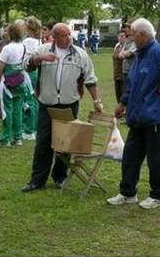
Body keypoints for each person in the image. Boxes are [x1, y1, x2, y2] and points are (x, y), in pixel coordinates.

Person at [107, 18, 160, 209]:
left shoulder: (159, 52)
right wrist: (122, 103)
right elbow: (132, 84)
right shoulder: (139, 55)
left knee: (156, 158)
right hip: (137, 116)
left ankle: (158, 196)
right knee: (130, 156)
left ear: (142, 35)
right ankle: (128, 193)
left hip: (155, 116)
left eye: (132, 34)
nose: (130, 38)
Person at [21, 23, 103, 192]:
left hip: (69, 104)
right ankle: (37, 180)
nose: (68, 38)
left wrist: (97, 100)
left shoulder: (80, 54)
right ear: (55, 37)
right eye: (64, 35)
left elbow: (90, 79)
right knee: (43, 142)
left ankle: (60, 176)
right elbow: (26, 65)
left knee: (65, 142)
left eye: (69, 35)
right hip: (47, 103)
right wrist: (40, 59)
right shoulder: (43, 50)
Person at [0, 21, 31, 147]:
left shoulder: (7, 48)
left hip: (7, 83)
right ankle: (18, 137)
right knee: (18, 111)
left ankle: (5, 139)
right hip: (20, 81)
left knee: (7, 111)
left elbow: (0, 68)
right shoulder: (23, 47)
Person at [21, 16, 42, 141]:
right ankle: (34, 126)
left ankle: (29, 130)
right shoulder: (38, 41)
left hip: (28, 73)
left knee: (28, 100)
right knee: (34, 100)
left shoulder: (28, 41)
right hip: (35, 73)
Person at [117, 23, 137, 92]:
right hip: (125, 70)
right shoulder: (127, 40)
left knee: (131, 91)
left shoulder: (136, 41)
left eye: (128, 28)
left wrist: (125, 53)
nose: (126, 30)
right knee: (125, 91)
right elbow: (120, 54)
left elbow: (129, 53)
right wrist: (125, 53)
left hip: (133, 70)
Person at [112, 29, 128, 104]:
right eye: (119, 36)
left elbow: (121, 56)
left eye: (122, 36)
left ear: (126, 37)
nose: (120, 38)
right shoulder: (117, 46)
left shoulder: (127, 47)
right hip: (116, 74)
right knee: (118, 95)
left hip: (124, 75)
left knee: (124, 96)